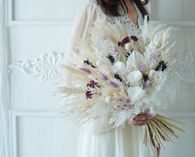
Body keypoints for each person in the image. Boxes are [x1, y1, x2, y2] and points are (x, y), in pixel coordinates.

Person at [60, 0, 160, 156]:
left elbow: (146, 68)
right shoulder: (94, 9)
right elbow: (72, 72)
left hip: (139, 121)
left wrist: (153, 124)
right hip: (109, 125)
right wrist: (121, 111)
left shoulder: (140, 9)